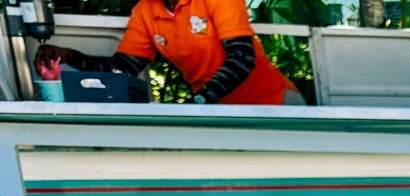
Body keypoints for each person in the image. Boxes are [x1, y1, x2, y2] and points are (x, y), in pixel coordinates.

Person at [35, 0, 300, 106]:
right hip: (218, 111)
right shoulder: (146, 11)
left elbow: (242, 57)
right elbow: (122, 69)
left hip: (274, 103)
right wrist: (67, 55)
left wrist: (202, 100)